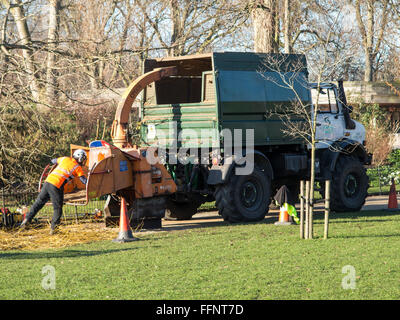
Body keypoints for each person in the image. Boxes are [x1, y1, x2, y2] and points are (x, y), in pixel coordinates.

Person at [20, 149, 88, 234]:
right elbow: (83, 180)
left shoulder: (65, 158)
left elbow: (53, 161)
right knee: (57, 208)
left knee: (38, 203)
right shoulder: (77, 167)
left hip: (47, 182)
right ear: (80, 158)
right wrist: (91, 183)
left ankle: (26, 220)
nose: (84, 161)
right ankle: (54, 229)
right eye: (84, 158)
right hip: (56, 185)